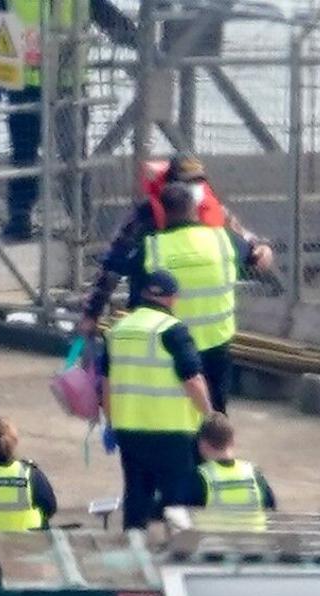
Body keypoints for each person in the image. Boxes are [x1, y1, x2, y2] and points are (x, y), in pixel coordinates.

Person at [79, 153, 274, 334]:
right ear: (169, 185)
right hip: (155, 321)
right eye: (186, 184)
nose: (194, 189)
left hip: (204, 325)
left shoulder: (213, 210)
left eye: (198, 182)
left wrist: (259, 247)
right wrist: (92, 312)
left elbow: (242, 237)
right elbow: (114, 265)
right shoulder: (146, 217)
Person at [126, 182, 264, 414]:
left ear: (163, 211)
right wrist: (262, 247)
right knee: (215, 414)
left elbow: (136, 305)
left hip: (169, 347)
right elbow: (257, 258)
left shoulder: (151, 249)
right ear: (194, 209)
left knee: (175, 414)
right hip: (216, 345)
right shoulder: (223, 240)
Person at [101, 270, 213, 530]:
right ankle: (175, 552)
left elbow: (106, 384)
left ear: (143, 295)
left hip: (129, 430)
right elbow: (192, 380)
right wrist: (209, 416)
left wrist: (110, 422)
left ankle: (133, 547)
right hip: (172, 432)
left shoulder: (117, 331)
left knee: (137, 494)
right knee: (176, 502)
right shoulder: (173, 331)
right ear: (172, 299)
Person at [0, 0, 92, 241]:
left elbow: (110, 19)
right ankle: (23, 218)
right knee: (34, 155)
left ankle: (79, 221)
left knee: (69, 157)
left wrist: (140, 42)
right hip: (39, 86)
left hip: (62, 87)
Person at [184, 412, 277, 531]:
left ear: (202, 444)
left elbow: (181, 516)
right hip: (254, 546)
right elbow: (271, 509)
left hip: (212, 546)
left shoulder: (199, 477)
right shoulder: (254, 475)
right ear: (232, 441)